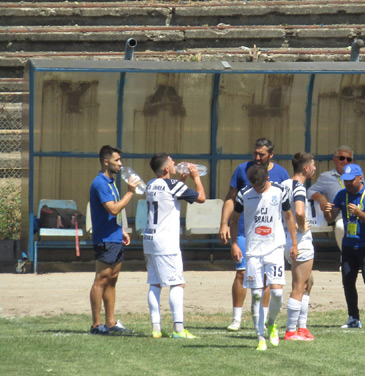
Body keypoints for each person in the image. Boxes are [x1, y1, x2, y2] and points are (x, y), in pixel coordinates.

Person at [219, 138, 289, 332]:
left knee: (266, 279)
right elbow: (231, 198)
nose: (257, 158)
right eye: (255, 153)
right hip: (245, 232)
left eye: (262, 154)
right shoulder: (242, 169)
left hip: (270, 237)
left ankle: (263, 320)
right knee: (241, 272)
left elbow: (287, 206)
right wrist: (224, 223)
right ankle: (236, 319)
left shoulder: (281, 173)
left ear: (271, 155)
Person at [230, 164, 297, 350]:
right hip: (253, 251)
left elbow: (289, 216)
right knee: (257, 294)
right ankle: (260, 337)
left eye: (260, 186)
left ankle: (272, 323)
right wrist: (234, 243)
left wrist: (294, 243)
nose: (257, 190)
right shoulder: (244, 194)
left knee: (276, 293)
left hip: (275, 247)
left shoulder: (279, 191)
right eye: (254, 186)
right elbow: (234, 220)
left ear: (267, 179)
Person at [143, 154, 205, 339]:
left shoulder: (150, 184)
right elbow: (201, 198)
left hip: (150, 238)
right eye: (172, 162)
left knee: (154, 283)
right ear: (165, 169)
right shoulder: (173, 185)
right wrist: (196, 178)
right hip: (166, 242)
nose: (175, 164)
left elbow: (169, 196)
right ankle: (178, 329)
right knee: (177, 283)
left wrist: (181, 182)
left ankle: (156, 328)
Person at [88, 145, 140, 335]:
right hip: (105, 239)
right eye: (117, 160)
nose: (120, 164)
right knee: (101, 280)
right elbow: (113, 208)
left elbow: (114, 214)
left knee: (112, 280)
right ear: (106, 161)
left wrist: (122, 230)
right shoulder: (100, 183)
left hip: (115, 237)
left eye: (120, 160)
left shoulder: (111, 183)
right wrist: (130, 192)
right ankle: (96, 325)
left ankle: (110, 322)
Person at [324, 163, 365, 330]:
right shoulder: (342, 195)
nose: (348, 183)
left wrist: (359, 213)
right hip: (348, 244)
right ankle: (353, 318)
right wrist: (327, 210)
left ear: (360, 178)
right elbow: (330, 218)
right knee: (348, 282)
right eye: (345, 180)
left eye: (351, 180)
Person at [310, 145, 365, 251]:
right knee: (340, 227)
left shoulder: (358, 175)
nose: (345, 161)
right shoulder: (326, 177)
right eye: (342, 158)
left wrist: (362, 212)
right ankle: (346, 254)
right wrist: (321, 198)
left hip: (363, 212)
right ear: (335, 159)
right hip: (342, 214)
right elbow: (309, 191)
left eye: (348, 159)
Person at [282, 152, 317, 341]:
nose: (315, 168)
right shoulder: (299, 187)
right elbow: (299, 211)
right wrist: (302, 226)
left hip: (286, 240)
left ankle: (302, 327)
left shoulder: (283, 185)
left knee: (308, 282)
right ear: (305, 168)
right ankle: (291, 330)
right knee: (299, 287)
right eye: (313, 165)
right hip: (300, 242)